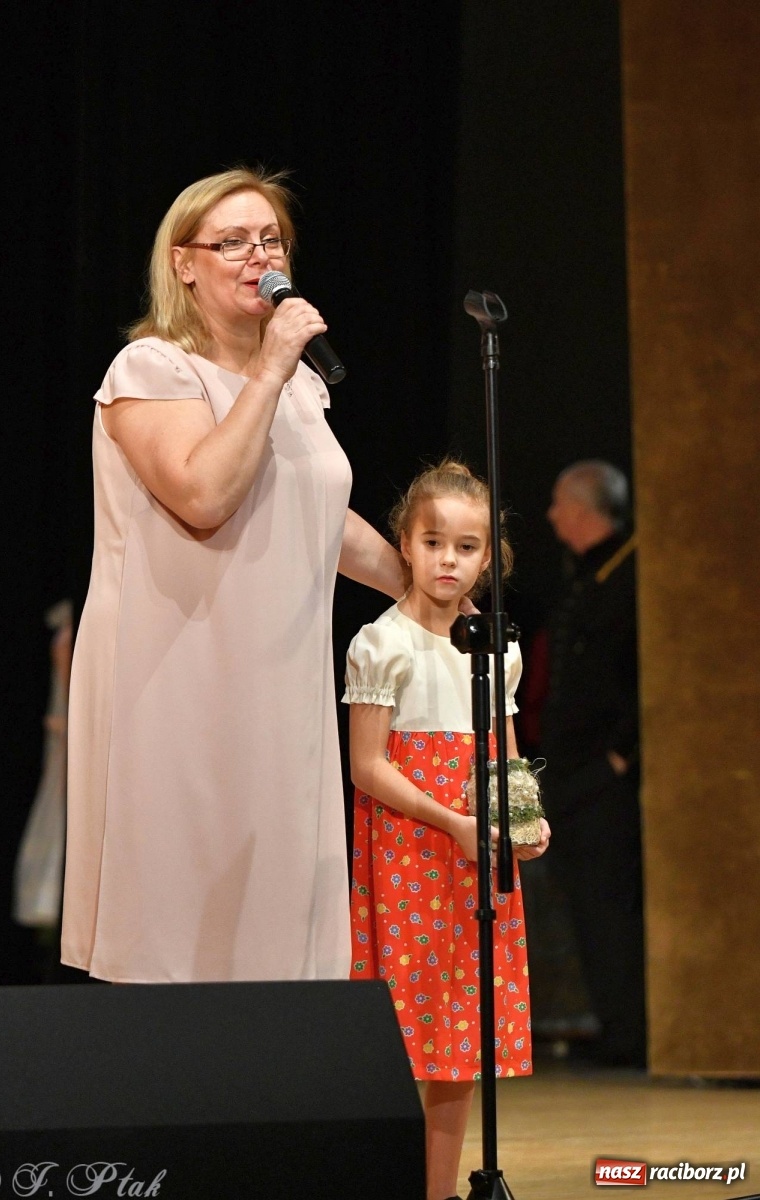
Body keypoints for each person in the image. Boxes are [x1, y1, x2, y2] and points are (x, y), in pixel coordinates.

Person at [61, 167, 408, 984]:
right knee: (185, 918)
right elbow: (205, 493)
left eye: (271, 240)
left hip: (278, 677)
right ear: (184, 263)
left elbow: (315, 508)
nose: (259, 257)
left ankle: (273, 1098)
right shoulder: (152, 370)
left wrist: (418, 586)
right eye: (233, 243)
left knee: (279, 916)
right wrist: (271, 369)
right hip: (177, 676)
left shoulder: (296, 386)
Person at [344, 461, 550, 1200]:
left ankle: (439, 1190)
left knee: (460, 1041)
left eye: (465, 548)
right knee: (404, 1032)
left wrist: (523, 817)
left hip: (473, 855)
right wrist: (451, 823)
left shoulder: (499, 647)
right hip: (410, 851)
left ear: (488, 557)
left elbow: (505, 749)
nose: (448, 561)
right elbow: (367, 767)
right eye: (433, 543)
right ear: (405, 543)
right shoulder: (381, 642)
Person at [541, 460, 645, 1066]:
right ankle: (613, 1025)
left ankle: (627, 1034)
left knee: (609, 902)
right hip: (576, 771)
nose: (552, 515)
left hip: (605, 774)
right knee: (584, 901)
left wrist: (620, 758)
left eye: (558, 503)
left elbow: (646, 675)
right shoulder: (586, 576)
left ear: (584, 509)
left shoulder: (626, 576)